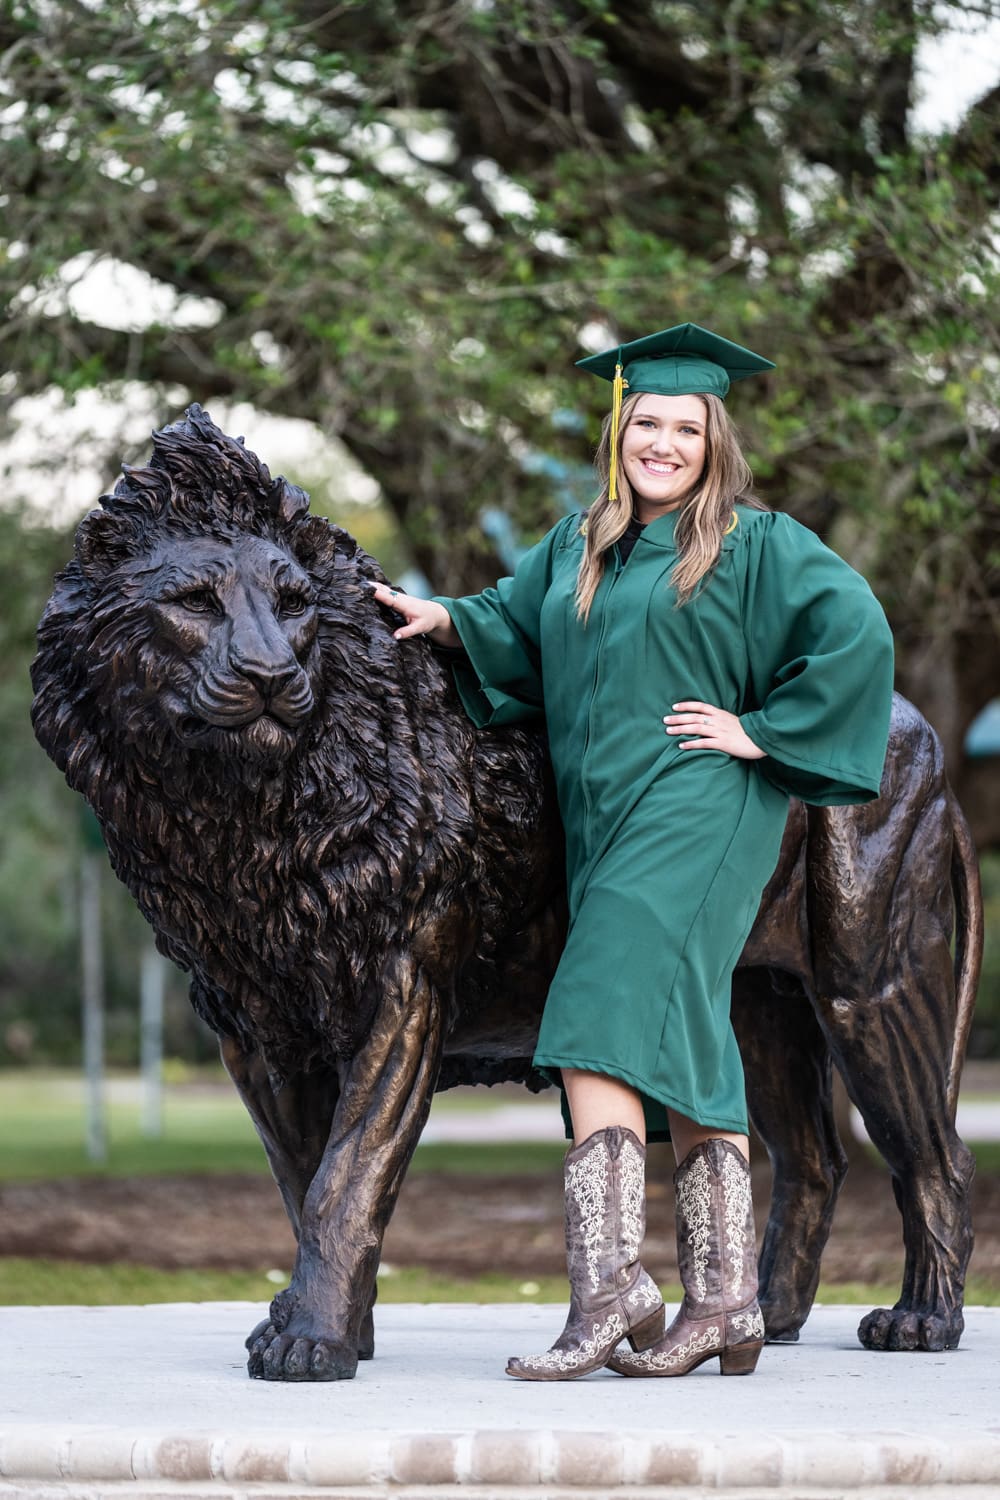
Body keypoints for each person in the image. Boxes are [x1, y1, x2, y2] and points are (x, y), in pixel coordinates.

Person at [369, 322, 895, 1382]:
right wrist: (443, 618)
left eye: (684, 427)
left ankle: (609, 1291)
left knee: (589, 1022)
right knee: (691, 1037)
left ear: (715, 441)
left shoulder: (755, 545)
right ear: (620, 432)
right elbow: (514, 630)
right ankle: (722, 1302)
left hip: (703, 803)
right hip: (603, 814)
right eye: (645, 422)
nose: (662, 442)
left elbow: (860, 633)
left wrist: (764, 732)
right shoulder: (576, 544)